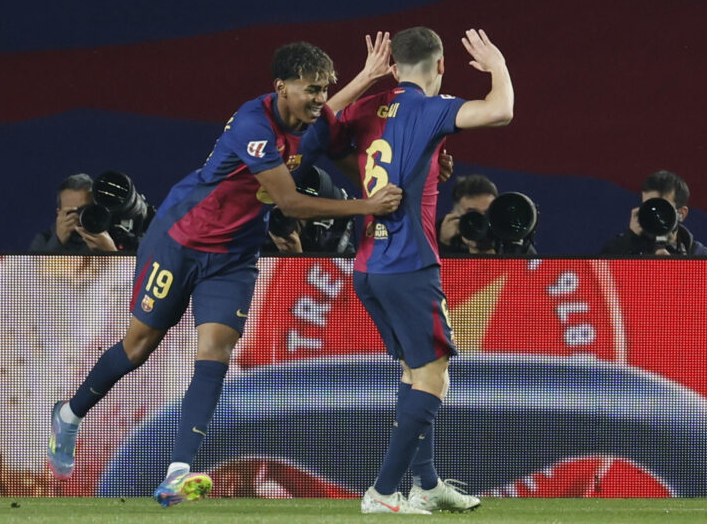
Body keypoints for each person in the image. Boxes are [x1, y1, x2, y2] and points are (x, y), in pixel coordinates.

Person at [47, 34, 402, 507]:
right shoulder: (252, 124)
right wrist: (368, 206)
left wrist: (367, 76)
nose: (320, 99)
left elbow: (326, 116)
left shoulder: (308, 118)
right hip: (180, 242)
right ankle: (69, 416)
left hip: (234, 256)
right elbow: (288, 201)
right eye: (311, 89)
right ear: (282, 86)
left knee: (215, 352)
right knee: (138, 348)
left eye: (323, 90)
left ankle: (177, 473)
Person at [337, 26, 514, 514]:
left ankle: (429, 483)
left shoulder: (366, 107)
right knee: (435, 378)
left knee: (416, 371)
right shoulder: (431, 106)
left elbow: (318, 130)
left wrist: (363, 80)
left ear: (391, 67)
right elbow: (500, 110)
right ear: (440, 66)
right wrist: (496, 63)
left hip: (370, 263)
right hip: (410, 264)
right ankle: (382, 492)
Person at [600, 170, 707, 256]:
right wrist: (629, 240)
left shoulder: (702, 257)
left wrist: (674, 270)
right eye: (649, 206)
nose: (656, 215)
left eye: (663, 208)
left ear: (682, 213)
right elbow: (601, 282)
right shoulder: (619, 248)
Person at [29, 173, 119, 253]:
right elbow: (33, 271)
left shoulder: (114, 236)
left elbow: (130, 271)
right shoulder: (44, 240)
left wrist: (111, 252)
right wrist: (57, 241)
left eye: (84, 210)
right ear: (59, 213)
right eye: (71, 211)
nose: (78, 217)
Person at [437, 174, 499, 254]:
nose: (482, 221)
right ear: (454, 215)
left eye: (487, 213)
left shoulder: (506, 233)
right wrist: (444, 244)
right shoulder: (438, 236)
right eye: (472, 213)